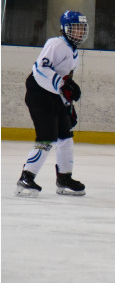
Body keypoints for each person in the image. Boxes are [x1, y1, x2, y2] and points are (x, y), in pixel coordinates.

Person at [16, 11, 88, 197]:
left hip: (53, 96)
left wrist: (67, 106)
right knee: (47, 137)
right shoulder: (55, 44)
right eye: (75, 28)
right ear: (65, 29)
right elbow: (40, 68)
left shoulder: (74, 52)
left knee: (66, 137)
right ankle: (26, 177)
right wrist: (62, 84)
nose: (79, 32)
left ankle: (64, 178)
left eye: (81, 29)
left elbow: (64, 84)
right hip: (38, 93)